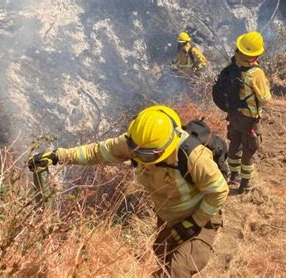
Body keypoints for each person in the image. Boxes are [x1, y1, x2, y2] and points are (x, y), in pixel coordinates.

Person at [28, 105, 229, 277]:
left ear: (165, 147)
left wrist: (194, 223)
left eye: (148, 155)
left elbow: (218, 190)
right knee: (162, 260)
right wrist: (58, 156)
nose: (140, 158)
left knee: (176, 271)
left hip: (200, 221)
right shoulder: (137, 144)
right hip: (168, 219)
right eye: (136, 151)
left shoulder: (193, 156)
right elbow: (96, 152)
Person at [226, 31, 272, 194]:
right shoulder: (256, 73)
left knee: (234, 145)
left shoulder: (233, 65)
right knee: (249, 149)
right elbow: (265, 98)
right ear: (256, 53)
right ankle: (244, 185)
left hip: (233, 115)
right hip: (249, 119)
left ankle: (233, 176)